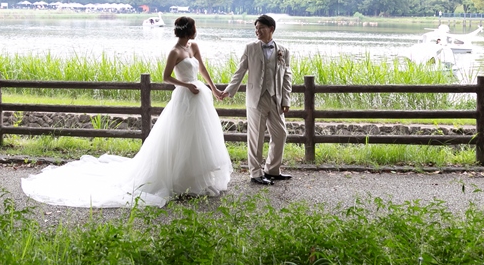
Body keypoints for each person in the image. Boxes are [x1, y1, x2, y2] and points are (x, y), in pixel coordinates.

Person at [21, 17, 232, 207]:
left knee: (199, 139)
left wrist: (213, 89)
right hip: (184, 97)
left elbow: (202, 69)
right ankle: (179, 182)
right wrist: (186, 86)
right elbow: (166, 77)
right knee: (180, 139)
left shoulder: (193, 46)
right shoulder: (174, 52)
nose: (196, 31)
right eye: (194, 27)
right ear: (188, 30)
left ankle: (196, 182)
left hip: (200, 98)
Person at [221, 14, 292, 185]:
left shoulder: (283, 50)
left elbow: (287, 76)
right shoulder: (250, 48)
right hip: (256, 98)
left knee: (281, 134)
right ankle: (255, 173)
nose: (257, 31)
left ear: (271, 29)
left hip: (275, 98)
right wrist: (229, 91)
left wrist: (286, 100)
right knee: (256, 136)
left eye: (261, 28)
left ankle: (272, 170)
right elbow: (240, 71)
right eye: (256, 28)